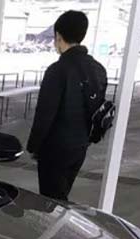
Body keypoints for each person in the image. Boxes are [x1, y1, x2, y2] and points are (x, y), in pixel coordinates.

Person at [27, 10, 107, 201]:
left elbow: (45, 113)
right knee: (61, 195)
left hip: (55, 148)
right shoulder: (98, 69)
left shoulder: (57, 70)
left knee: (51, 202)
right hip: (80, 146)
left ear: (58, 36)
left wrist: (34, 145)